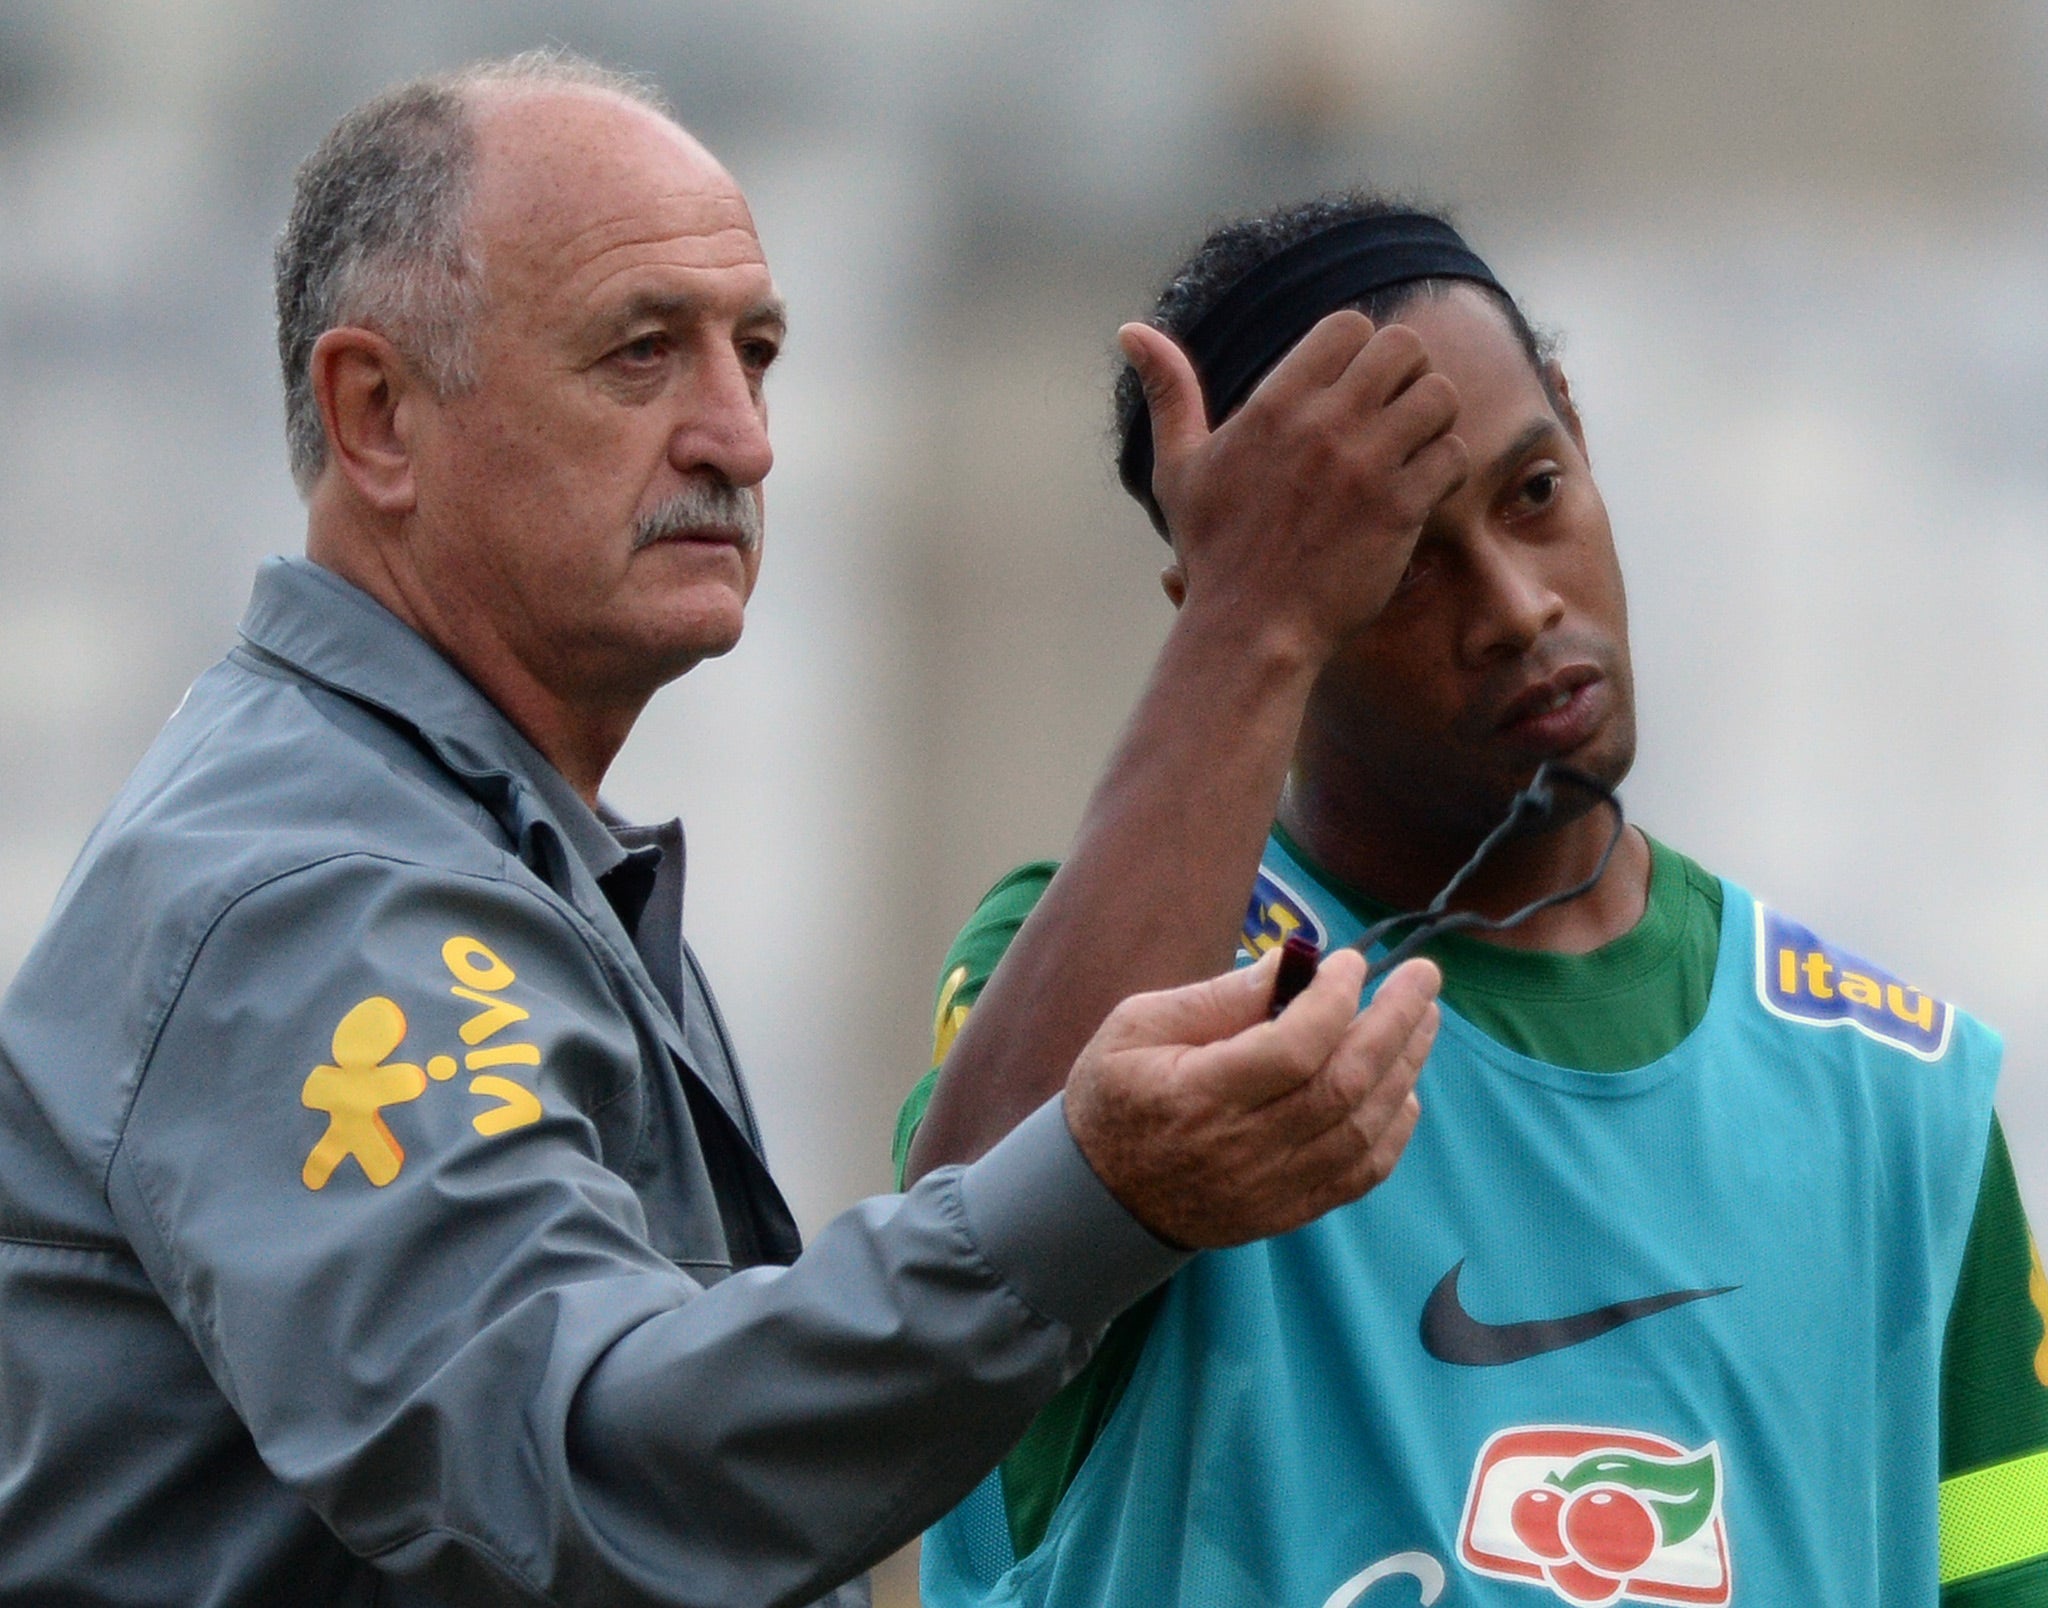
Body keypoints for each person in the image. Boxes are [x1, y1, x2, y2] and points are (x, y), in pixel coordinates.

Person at [0, 61, 1451, 1607]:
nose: (740, 439)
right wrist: (1104, 1196)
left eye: (754, 354)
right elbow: (587, 1475)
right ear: (379, 417)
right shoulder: (321, 897)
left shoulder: (484, 834)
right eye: (642, 355)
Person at [899, 198, 2048, 1606]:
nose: (1513, 604)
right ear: (1236, 604)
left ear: (1575, 420)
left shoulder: (1896, 1091)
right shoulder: (1142, 993)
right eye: (1396, 563)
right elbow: (932, 1317)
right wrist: (1249, 625)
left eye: (1536, 494)